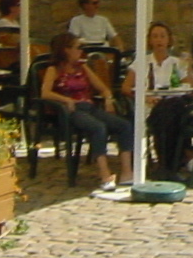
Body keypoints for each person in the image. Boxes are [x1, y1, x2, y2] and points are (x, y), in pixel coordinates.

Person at [41, 31, 132, 193]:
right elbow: (45, 93)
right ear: (66, 50)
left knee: (124, 125)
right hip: (71, 110)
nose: (81, 51)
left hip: (89, 106)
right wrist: (66, 99)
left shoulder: (82, 67)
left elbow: (103, 88)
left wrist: (108, 98)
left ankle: (127, 172)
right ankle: (105, 175)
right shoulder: (54, 70)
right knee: (98, 128)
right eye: (78, 47)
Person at [124, 22, 193, 177]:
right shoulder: (142, 62)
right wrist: (145, 96)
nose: (159, 40)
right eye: (155, 36)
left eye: (162, 36)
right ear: (150, 40)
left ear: (169, 39)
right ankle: (181, 157)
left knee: (172, 108)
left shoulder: (177, 63)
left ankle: (166, 165)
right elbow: (126, 87)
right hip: (151, 107)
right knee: (172, 113)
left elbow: (190, 88)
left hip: (173, 106)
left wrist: (189, 68)